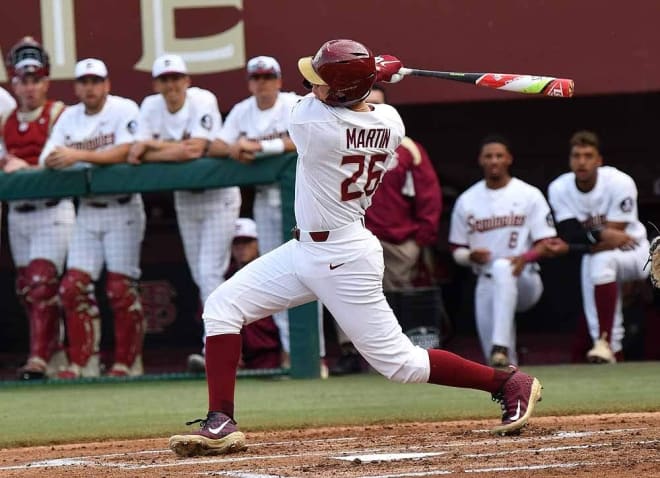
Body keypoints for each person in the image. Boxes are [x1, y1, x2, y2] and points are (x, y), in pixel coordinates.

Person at [168, 39, 543, 457]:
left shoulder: (313, 125)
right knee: (222, 307)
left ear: (341, 93)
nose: (312, 87)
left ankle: (507, 381)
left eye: (321, 83)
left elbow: (327, 101)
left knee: (401, 364)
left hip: (343, 257)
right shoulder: (392, 122)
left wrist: (374, 71)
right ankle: (221, 420)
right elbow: (368, 103)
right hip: (306, 250)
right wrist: (373, 74)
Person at [206, 55, 321, 369]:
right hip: (265, 200)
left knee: (314, 277)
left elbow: (307, 137)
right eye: (257, 77)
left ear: (279, 80)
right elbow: (215, 146)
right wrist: (235, 147)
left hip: (303, 199)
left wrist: (260, 148)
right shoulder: (243, 110)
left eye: (268, 77)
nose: (263, 83)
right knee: (280, 278)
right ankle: (289, 356)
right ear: (250, 82)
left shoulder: (294, 103)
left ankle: (315, 356)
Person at [128, 53, 241, 370]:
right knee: (201, 275)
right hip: (186, 200)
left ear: (187, 81)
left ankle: (216, 352)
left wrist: (156, 148)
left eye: (176, 78)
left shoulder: (202, 99)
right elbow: (137, 154)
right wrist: (166, 150)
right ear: (157, 84)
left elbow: (196, 148)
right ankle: (222, 349)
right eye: (165, 79)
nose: (171, 85)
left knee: (209, 274)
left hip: (218, 196)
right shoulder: (151, 106)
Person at [39, 58, 146, 378]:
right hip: (87, 210)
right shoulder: (69, 117)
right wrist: (79, 158)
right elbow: (48, 157)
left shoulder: (123, 108)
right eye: (84, 82)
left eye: (96, 81)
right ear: (76, 87)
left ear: (107, 84)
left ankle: (128, 363)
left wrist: (77, 156)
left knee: (119, 289)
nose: (90, 87)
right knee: (72, 287)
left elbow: (126, 152)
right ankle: (83, 362)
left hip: (123, 209)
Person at [331, 84, 442, 375]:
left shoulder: (407, 147)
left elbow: (428, 194)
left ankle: (393, 359)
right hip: (353, 233)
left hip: (398, 239)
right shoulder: (339, 139)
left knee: (392, 301)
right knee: (346, 293)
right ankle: (350, 353)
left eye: (376, 103)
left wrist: (421, 238)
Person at [449, 135, 565, 367]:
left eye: (499, 155)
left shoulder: (528, 194)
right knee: (496, 364)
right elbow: (456, 249)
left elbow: (549, 242)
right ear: (480, 160)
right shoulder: (467, 200)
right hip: (486, 279)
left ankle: (501, 344)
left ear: (509, 159)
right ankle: (507, 370)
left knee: (503, 266)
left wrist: (526, 257)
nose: (494, 161)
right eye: (489, 156)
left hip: (525, 277)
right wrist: (469, 256)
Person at [1, 37, 73, 380]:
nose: (30, 87)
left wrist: (24, 168)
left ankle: (38, 360)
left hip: (52, 210)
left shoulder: (59, 113)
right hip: (19, 214)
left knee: (43, 282)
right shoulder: (7, 120)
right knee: (27, 289)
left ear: (46, 81)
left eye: (36, 80)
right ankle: (54, 354)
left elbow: (56, 161)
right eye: (23, 80)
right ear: (14, 83)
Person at [547, 130, 649, 363]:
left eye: (588, 155)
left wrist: (574, 245)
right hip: (597, 256)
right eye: (576, 155)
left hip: (635, 251)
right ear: (570, 160)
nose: (582, 161)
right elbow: (570, 232)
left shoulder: (619, 181)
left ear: (599, 160)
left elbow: (616, 236)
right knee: (596, 264)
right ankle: (607, 349)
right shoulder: (559, 188)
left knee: (598, 260)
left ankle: (604, 342)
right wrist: (598, 234)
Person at [188, 218, 282, 372]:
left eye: (247, 242)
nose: (241, 248)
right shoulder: (222, 276)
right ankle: (218, 360)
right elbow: (203, 315)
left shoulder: (272, 272)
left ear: (258, 244)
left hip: (267, 355)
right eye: (237, 243)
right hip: (234, 354)